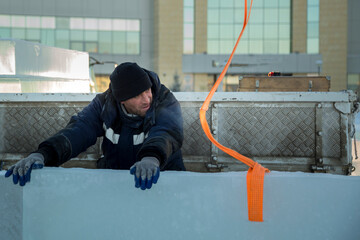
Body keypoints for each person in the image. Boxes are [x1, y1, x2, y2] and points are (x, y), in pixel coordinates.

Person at [5, 62, 185, 190]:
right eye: (138, 95)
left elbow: (166, 132)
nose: (147, 99)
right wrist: (43, 154)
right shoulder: (104, 105)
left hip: (161, 181)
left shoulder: (164, 101)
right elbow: (78, 130)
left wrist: (151, 158)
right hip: (115, 184)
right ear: (122, 100)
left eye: (147, 91)